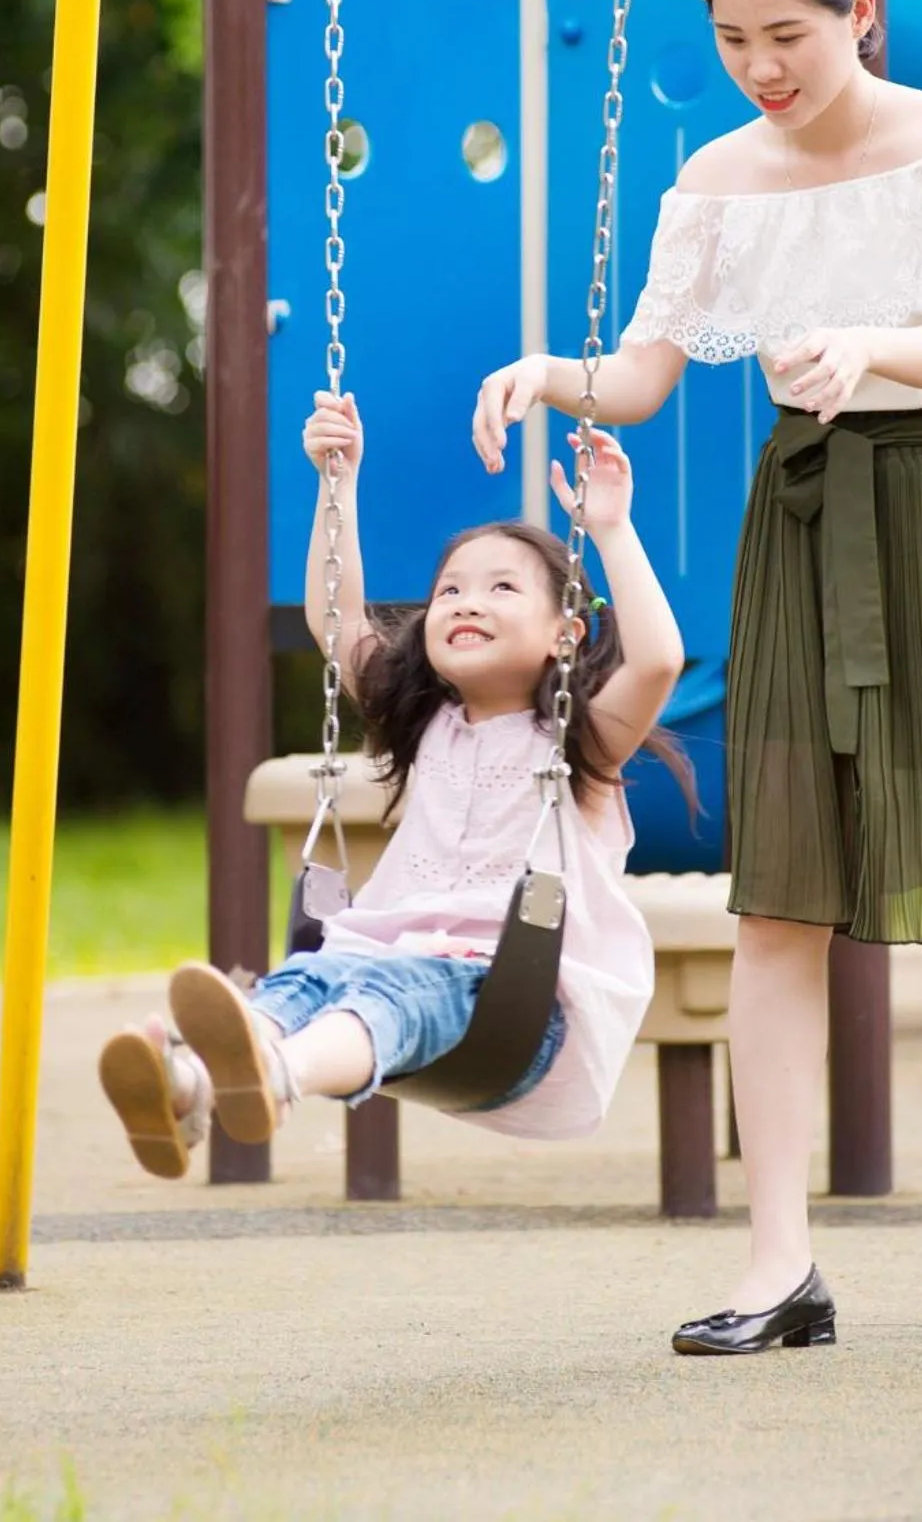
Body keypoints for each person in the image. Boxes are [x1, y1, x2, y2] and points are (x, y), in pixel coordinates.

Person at [472, 0, 922, 1353]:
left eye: (787, 34)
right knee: (776, 899)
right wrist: (545, 372)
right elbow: (639, 372)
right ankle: (779, 1265)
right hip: (803, 514)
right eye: (731, 39)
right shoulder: (711, 178)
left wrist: (862, 344)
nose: (761, 64)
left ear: (859, 14)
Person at [98, 390, 686, 1175]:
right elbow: (336, 625)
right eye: (449, 590)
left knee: (382, 998)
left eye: (501, 589)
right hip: (381, 958)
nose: (466, 602)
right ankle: (192, 1086)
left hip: (508, 1000)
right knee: (305, 982)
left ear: (564, 634)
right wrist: (336, 483)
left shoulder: (577, 745)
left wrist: (608, 528)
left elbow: (656, 662)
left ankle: (276, 1076)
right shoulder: (425, 723)